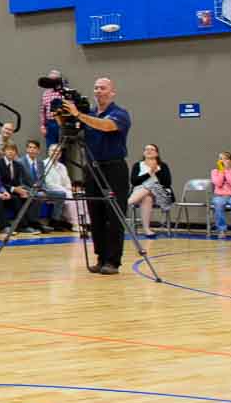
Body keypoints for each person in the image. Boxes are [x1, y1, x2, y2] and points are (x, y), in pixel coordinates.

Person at [56, 77, 132, 274]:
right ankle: (101, 257)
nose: (98, 91)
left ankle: (113, 261)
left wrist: (78, 114)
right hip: (92, 167)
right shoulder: (87, 113)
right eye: (96, 87)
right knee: (96, 214)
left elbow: (106, 126)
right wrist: (62, 116)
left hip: (114, 168)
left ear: (112, 91)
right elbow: (71, 131)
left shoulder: (120, 113)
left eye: (103, 88)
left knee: (114, 215)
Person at [127, 143, 174, 238]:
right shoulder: (137, 165)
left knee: (150, 185)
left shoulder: (162, 166)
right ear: (144, 153)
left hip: (161, 195)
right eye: (146, 149)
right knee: (147, 198)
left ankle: (124, 203)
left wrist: (155, 174)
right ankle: (146, 229)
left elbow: (167, 183)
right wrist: (149, 173)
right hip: (141, 193)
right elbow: (134, 182)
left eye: (152, 149)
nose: (148, 151)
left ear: (157, 153)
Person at [210, 151, 231, 237]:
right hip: (219, 196)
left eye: (225, 159)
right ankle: (221, 229)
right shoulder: (214, 171)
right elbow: (218, 183)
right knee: (218, 204)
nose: (222, 161)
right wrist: (221, 171)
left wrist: (226, 171)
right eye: (220, 159)